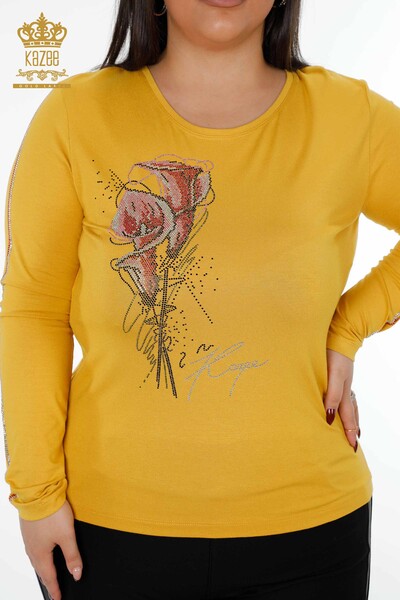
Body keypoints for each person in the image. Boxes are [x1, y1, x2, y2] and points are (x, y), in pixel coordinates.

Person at [4, 0, 400, 597]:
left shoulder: (349, 118)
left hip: (312, 535)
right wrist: (36, 494)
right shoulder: (75, 115)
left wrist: (350, 325)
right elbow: (34, 309)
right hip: (106, 534)